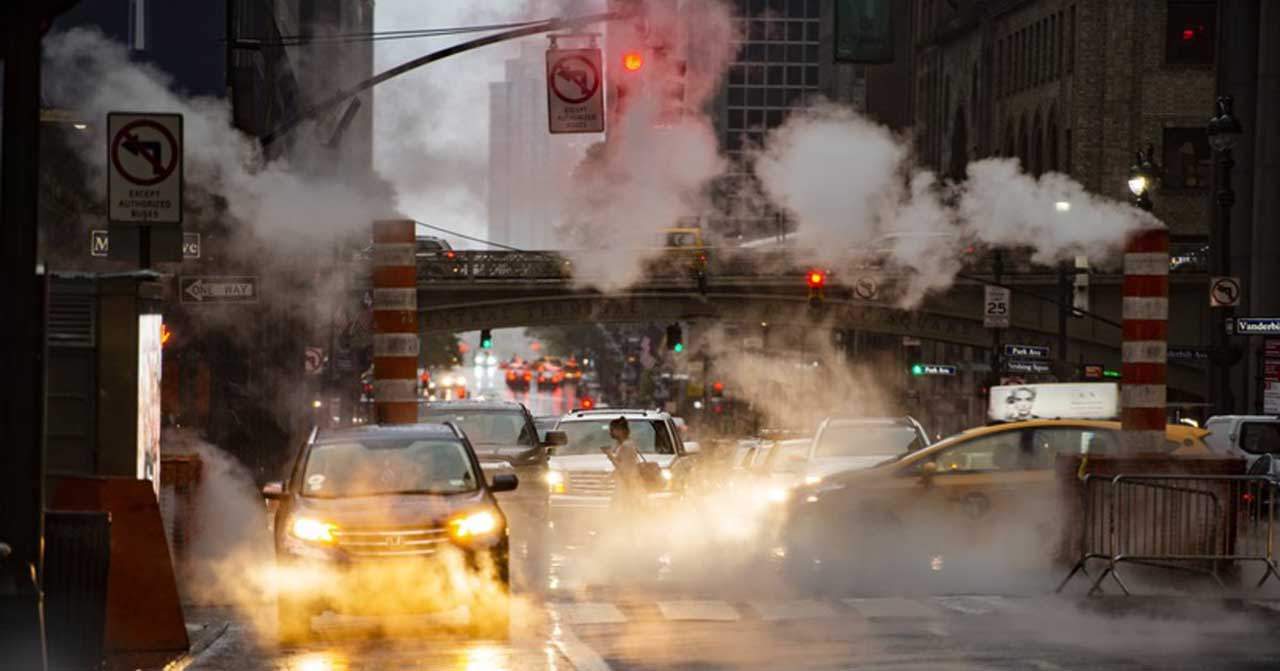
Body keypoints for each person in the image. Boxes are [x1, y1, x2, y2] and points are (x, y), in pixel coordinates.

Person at [602, 416, 644, 509]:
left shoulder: (626, 445)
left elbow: (623, 468)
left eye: (612, 430)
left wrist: (610, 456)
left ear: (620, 430)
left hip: (627, 485)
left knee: (621, 510)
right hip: (626, 483)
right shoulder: (623, 444)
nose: (611, 432)